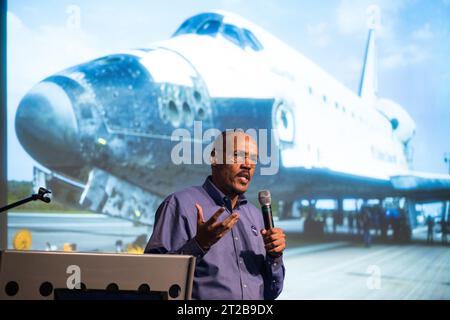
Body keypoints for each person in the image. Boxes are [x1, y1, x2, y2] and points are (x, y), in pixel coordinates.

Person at [144, 130, 286, 300]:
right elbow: (151, 278)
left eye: (253, 159)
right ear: (214, 159)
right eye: (238, 155)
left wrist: (274, 257)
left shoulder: (255, 216)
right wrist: (199, 244)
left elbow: (272, 291)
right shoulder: (180, 205)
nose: (247, 165)